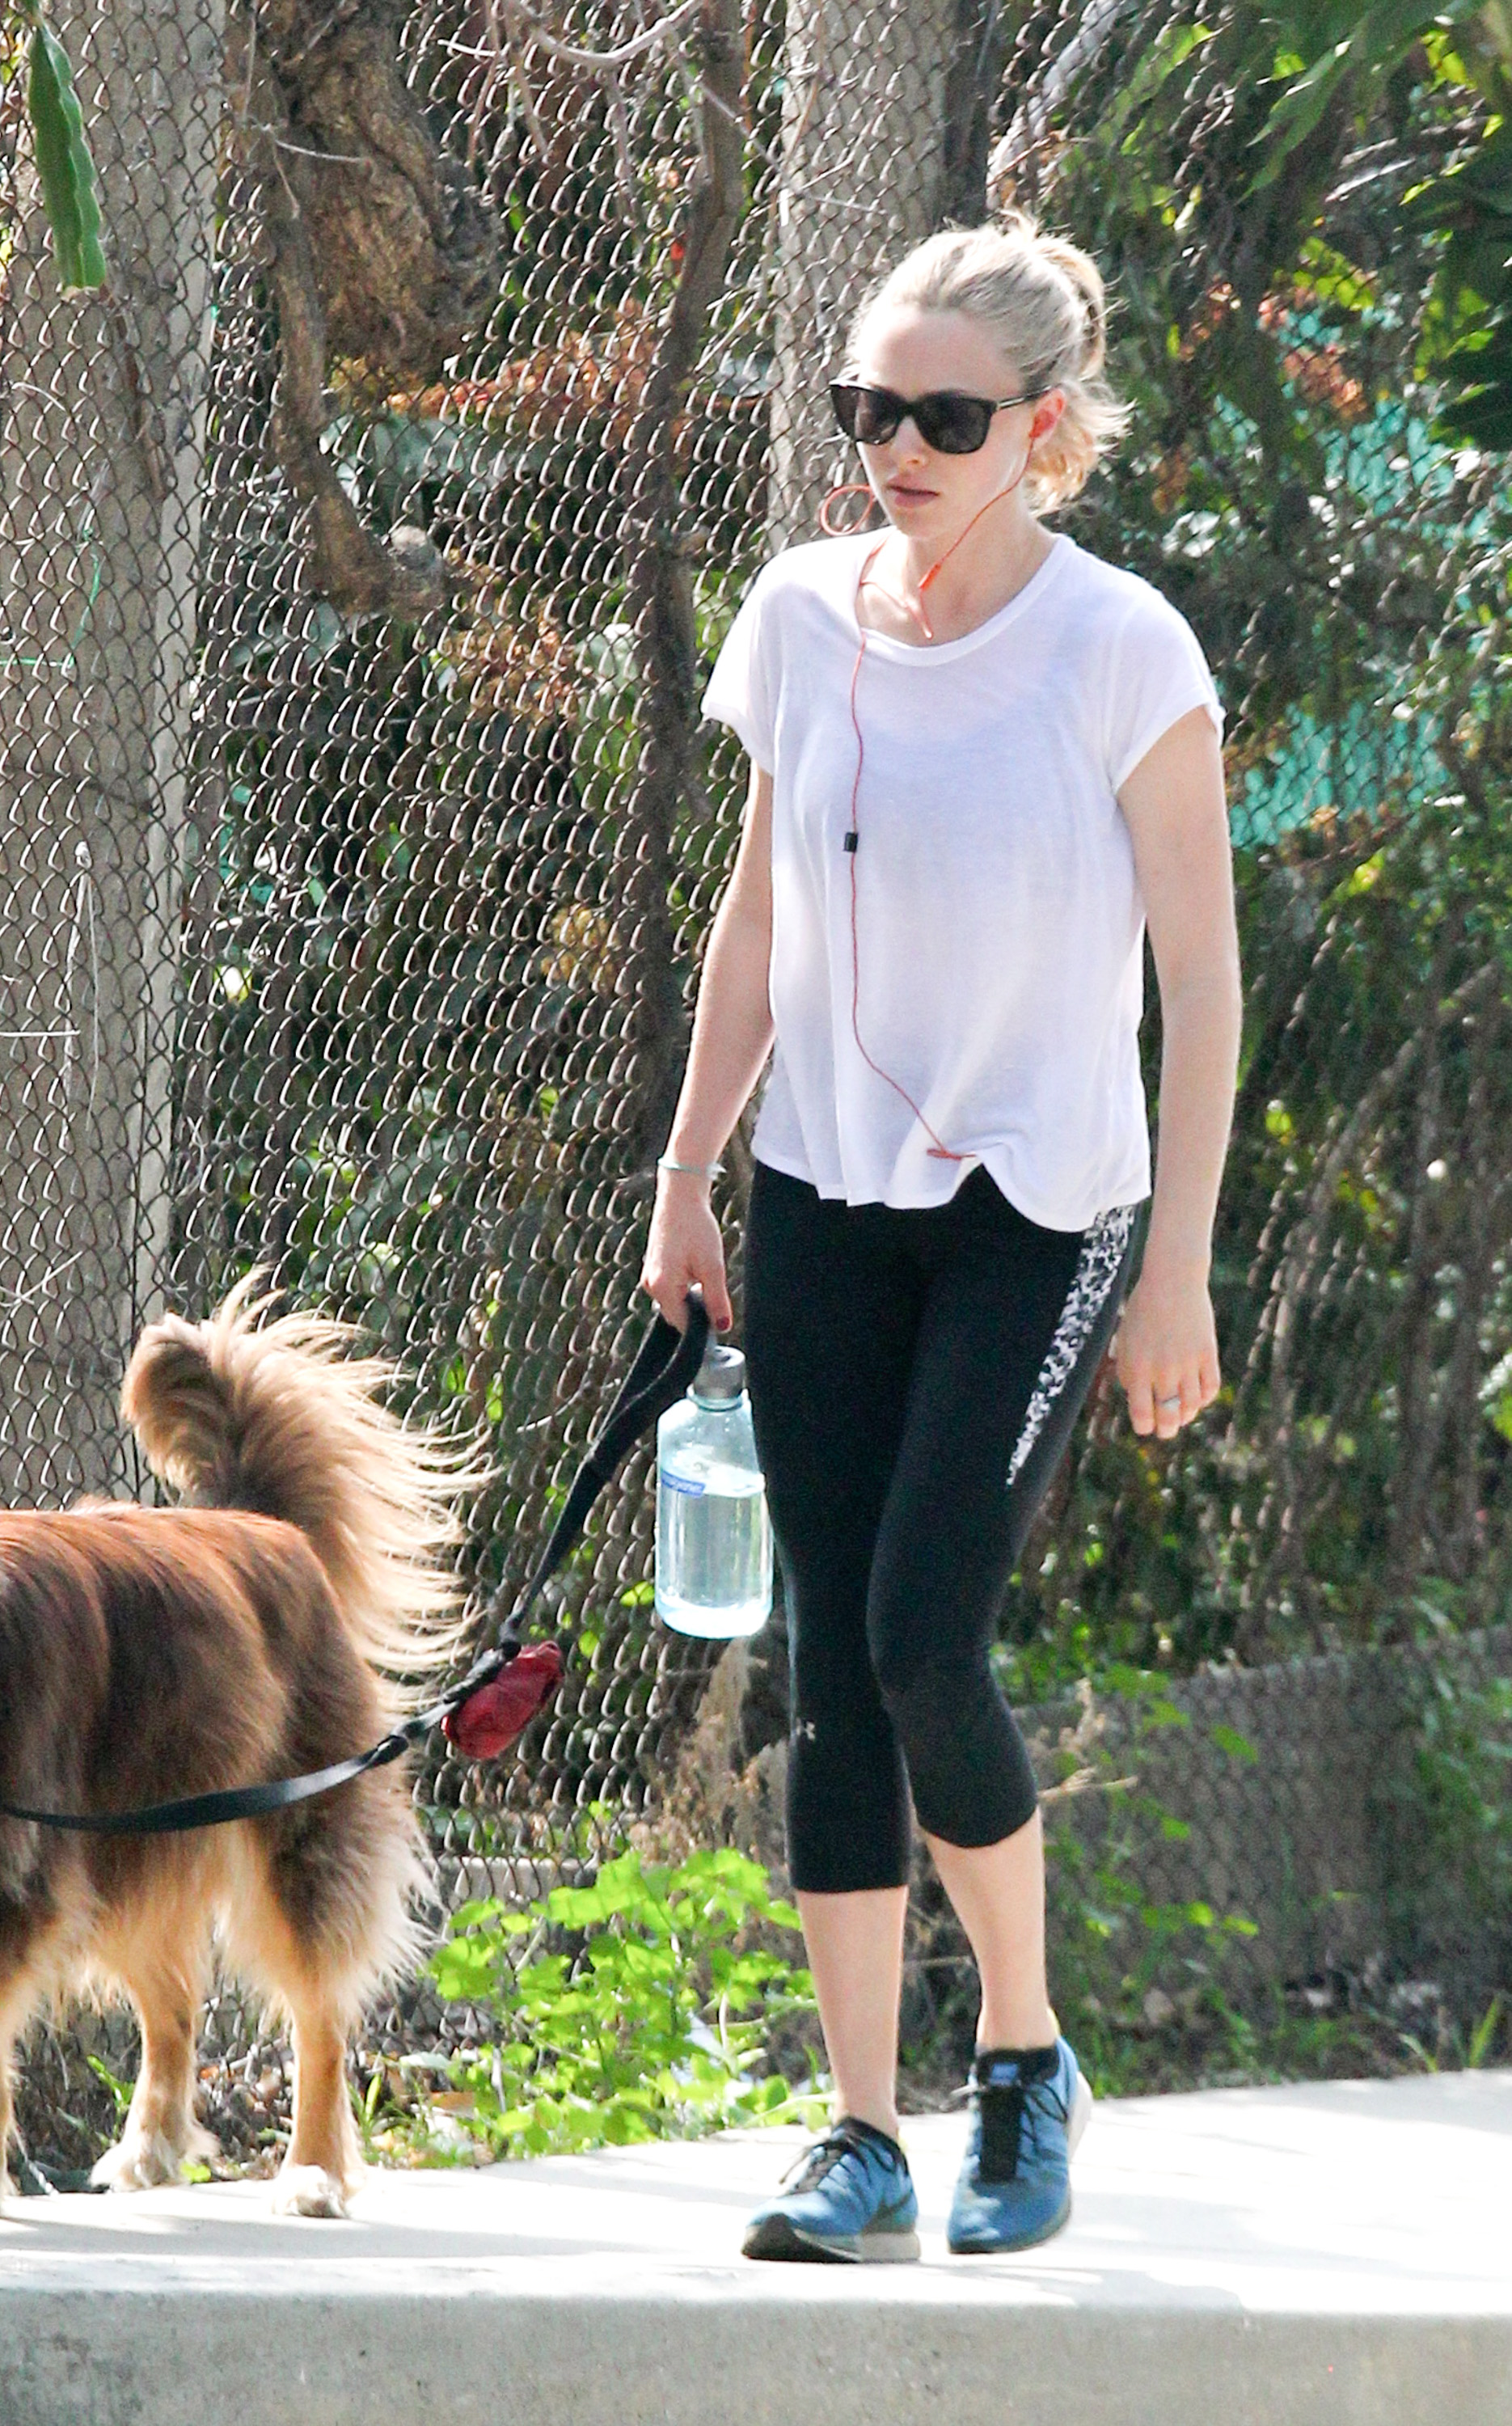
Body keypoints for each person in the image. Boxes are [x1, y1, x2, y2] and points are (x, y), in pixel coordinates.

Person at [641, 209, 1240, 2263]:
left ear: (1041, 430)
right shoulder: (798, 616)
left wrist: (1174, 1269)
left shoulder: (1118, 650)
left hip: (1037, 1212)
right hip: (819, 1191)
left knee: (917, 1633)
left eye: (942, 416)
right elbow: (755, 914)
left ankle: (1020, 2052)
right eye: (865, 406)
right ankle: (857, 2135)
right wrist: (686, 1168)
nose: (892, 445)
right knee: (829, 1658)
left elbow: (1199, 980)